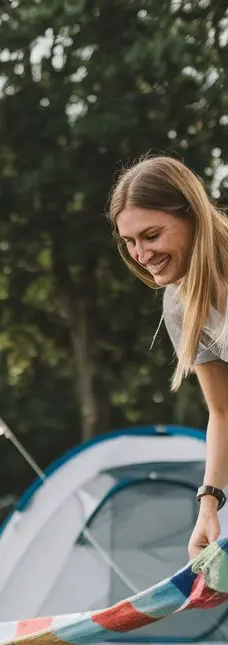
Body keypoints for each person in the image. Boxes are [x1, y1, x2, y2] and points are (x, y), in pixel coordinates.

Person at [109, 156, 228, 558]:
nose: (141, 253)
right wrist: (208, 503)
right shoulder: (180, 303)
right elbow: (223, 411)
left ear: (192, 216)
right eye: (130, 242)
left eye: (151, 235)